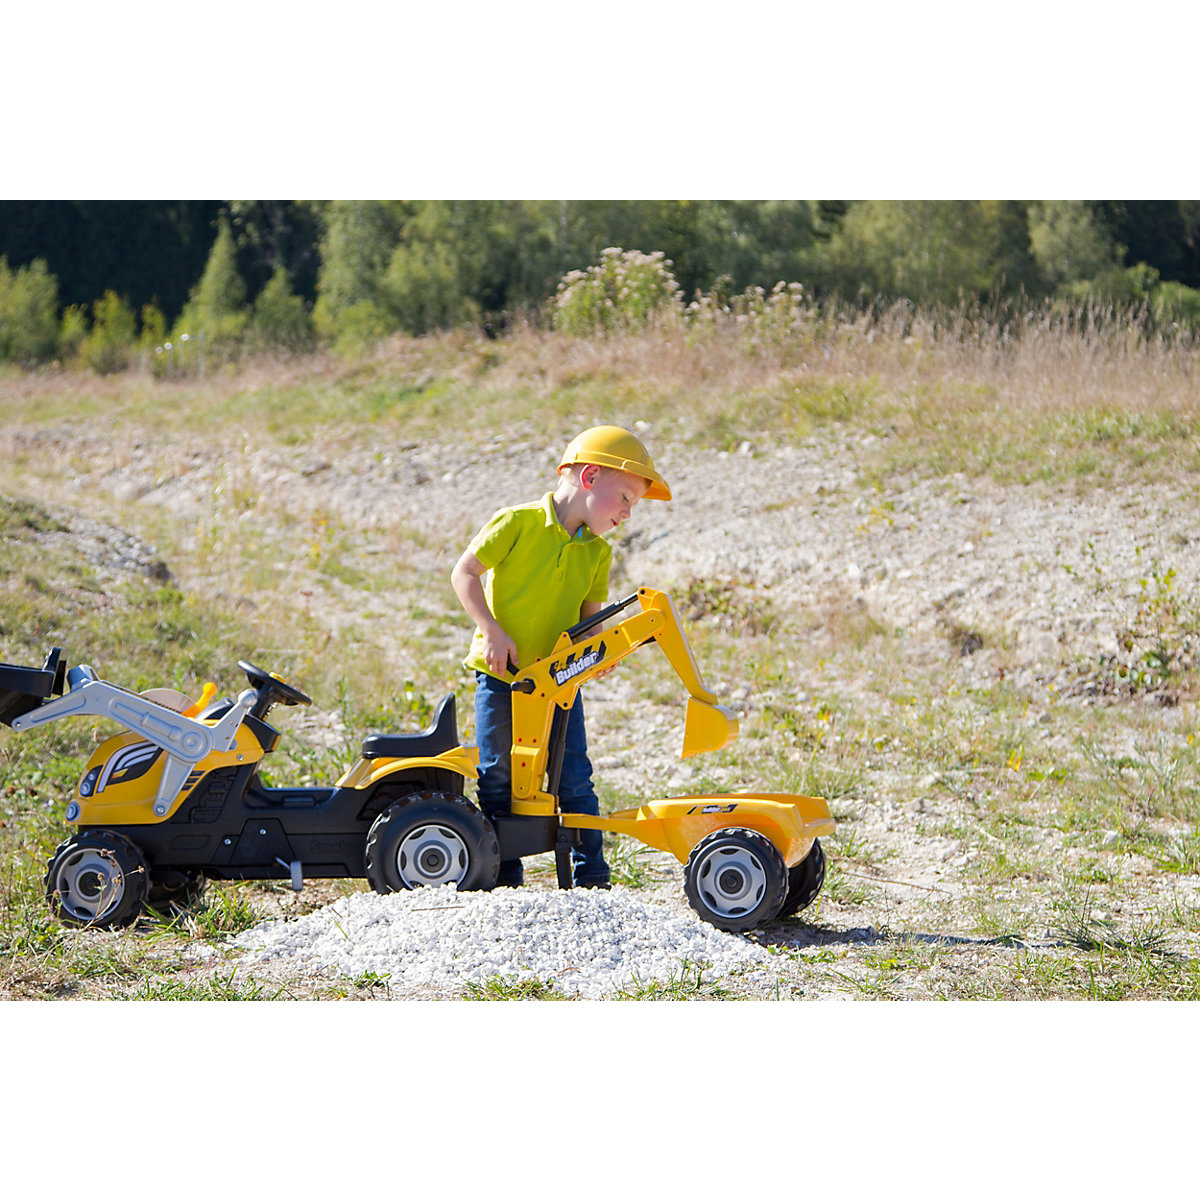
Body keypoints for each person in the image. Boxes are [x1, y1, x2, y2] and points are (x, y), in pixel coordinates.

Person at [450, 425, 671, 888]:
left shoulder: (598, 553)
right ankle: (503, 875)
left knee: (573, 778)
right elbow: (464, 573)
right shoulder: (517, 522)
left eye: (633, 505)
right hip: (502, 676)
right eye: (625, 498)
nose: (628, 513)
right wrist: (491, 630)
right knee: (498, 775)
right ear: (590, 477)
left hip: (560, 684)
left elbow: (591, 622)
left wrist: (602, 652)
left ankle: (593, 876)